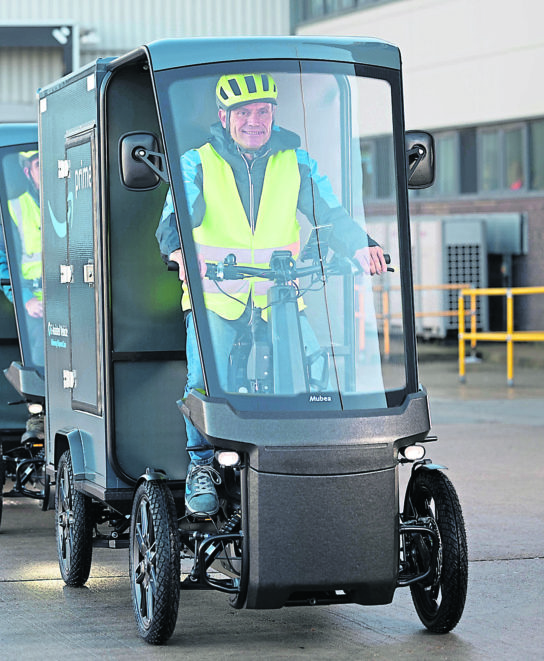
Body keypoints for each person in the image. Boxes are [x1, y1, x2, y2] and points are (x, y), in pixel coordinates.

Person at [156, 72, 387, 517]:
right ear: (224, 117)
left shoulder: (296, 161)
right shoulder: (197, 164)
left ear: (274, 113)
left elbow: (332, 215)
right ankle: (202, 465)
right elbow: (174, 218)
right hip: (217, 296)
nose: (254, 120)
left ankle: (313, 463)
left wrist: (361, 245)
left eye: (262, 111)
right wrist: (180, 252)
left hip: (280, 296)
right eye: (243, 112)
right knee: (204, 379)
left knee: (314, 377)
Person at [0, 150, 45, 368]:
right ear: (28, 172)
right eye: (39, 164)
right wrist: (26, 300)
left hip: (72, 306)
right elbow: (2, 266)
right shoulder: (14, 209)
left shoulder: (75, 200)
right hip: (37, 309)